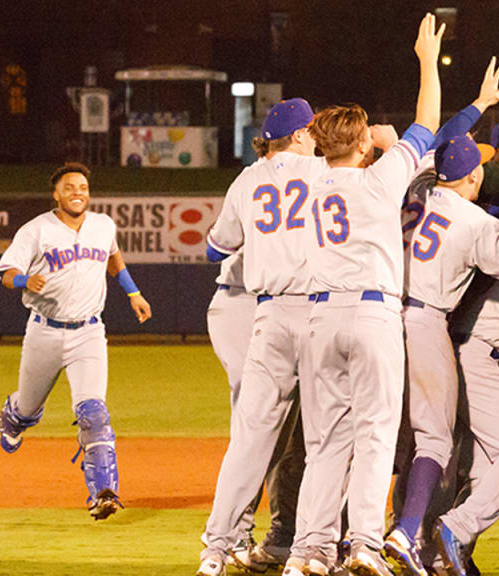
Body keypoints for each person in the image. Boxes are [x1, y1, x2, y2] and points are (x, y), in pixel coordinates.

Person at [286, 13, 443, 576]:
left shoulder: (304, 182)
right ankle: (363, 546)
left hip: (321, 316)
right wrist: (426, 60)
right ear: (360, 141)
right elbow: (428, 120)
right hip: (373, 314)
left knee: (326, 443)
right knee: (376, 435)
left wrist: (350, 137)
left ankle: (309, 551)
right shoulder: (380, 179)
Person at [387, 127, 499, 576]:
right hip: (426, 321)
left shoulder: (417, 196)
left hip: (383, 316)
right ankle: (414, 534)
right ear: (475, 176)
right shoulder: (473, 221)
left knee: (384, 437)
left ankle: (349, 540)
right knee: (437, 439)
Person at [197, 96, 328, 576]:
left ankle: (216, 546)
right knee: (324, 439)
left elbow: (216, 248)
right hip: (318, 314)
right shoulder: (323, 173)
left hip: (267, 316)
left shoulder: (246, 179)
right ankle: (310, 552)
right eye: (311, 129)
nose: (315, 136)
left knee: (249, 438)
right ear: (298, 135)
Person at [0, 161, 152, 520]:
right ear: (56, 194)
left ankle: (103, 493)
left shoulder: (102, 225)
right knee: (29, 408)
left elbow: (114, 258)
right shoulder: (37, 230)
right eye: (69, 187)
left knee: (94, 413)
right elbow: (5, 272)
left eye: (82, 187)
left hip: (89, 332)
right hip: (44, 331)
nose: (77, 192)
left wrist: (133, 293)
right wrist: (24, 281)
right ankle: (14, 415)